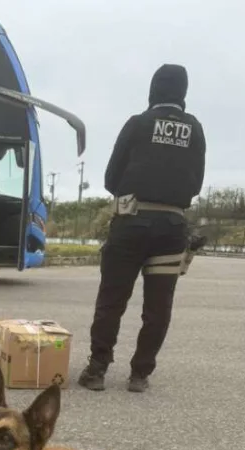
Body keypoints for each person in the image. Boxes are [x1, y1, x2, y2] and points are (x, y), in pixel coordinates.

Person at [79, 64, 206, 393]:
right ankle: (140, 374)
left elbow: (111, 177)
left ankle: (97, 369)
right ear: (183, 92)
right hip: (172, 227)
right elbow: (196, 182)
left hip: (131, 223)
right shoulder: (195, 129)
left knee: (112, 299)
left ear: (154, 90)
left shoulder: (138, 124)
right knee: (158, 306)